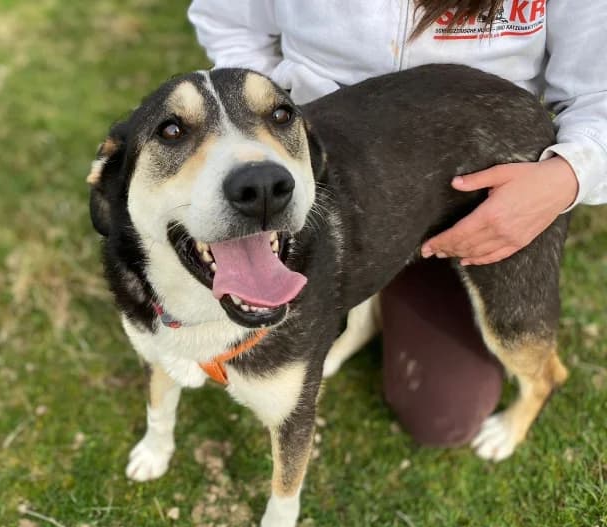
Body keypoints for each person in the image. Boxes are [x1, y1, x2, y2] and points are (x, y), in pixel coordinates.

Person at [188, 0, 606, 446]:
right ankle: (365, 311)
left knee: (447, 411)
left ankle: (536, 391)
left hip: (476, 179)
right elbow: (228, 21)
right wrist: (275, 120)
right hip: (330, 158)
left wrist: (564, 178)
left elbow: (600, 94)